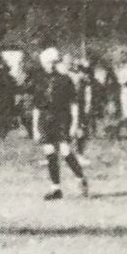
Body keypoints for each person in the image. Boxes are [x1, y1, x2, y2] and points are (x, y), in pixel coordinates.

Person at [34, 46, 89, 200]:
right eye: (47, 63)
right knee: (50, 153)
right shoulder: (40, 80)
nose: (49, 65)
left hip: (61, 118)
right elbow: (37, 106)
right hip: (45, 119)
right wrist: (35, 128)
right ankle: (55, 188)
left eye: (52, 62)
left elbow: (73, 104)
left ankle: (80, 178)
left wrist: (74, 124)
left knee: (65, 151)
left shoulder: (65, 80)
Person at [0, 58, 18, 137]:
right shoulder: (10, 78)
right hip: (7, 99)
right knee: (5, 113)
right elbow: (15, 87)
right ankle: (3, 130)